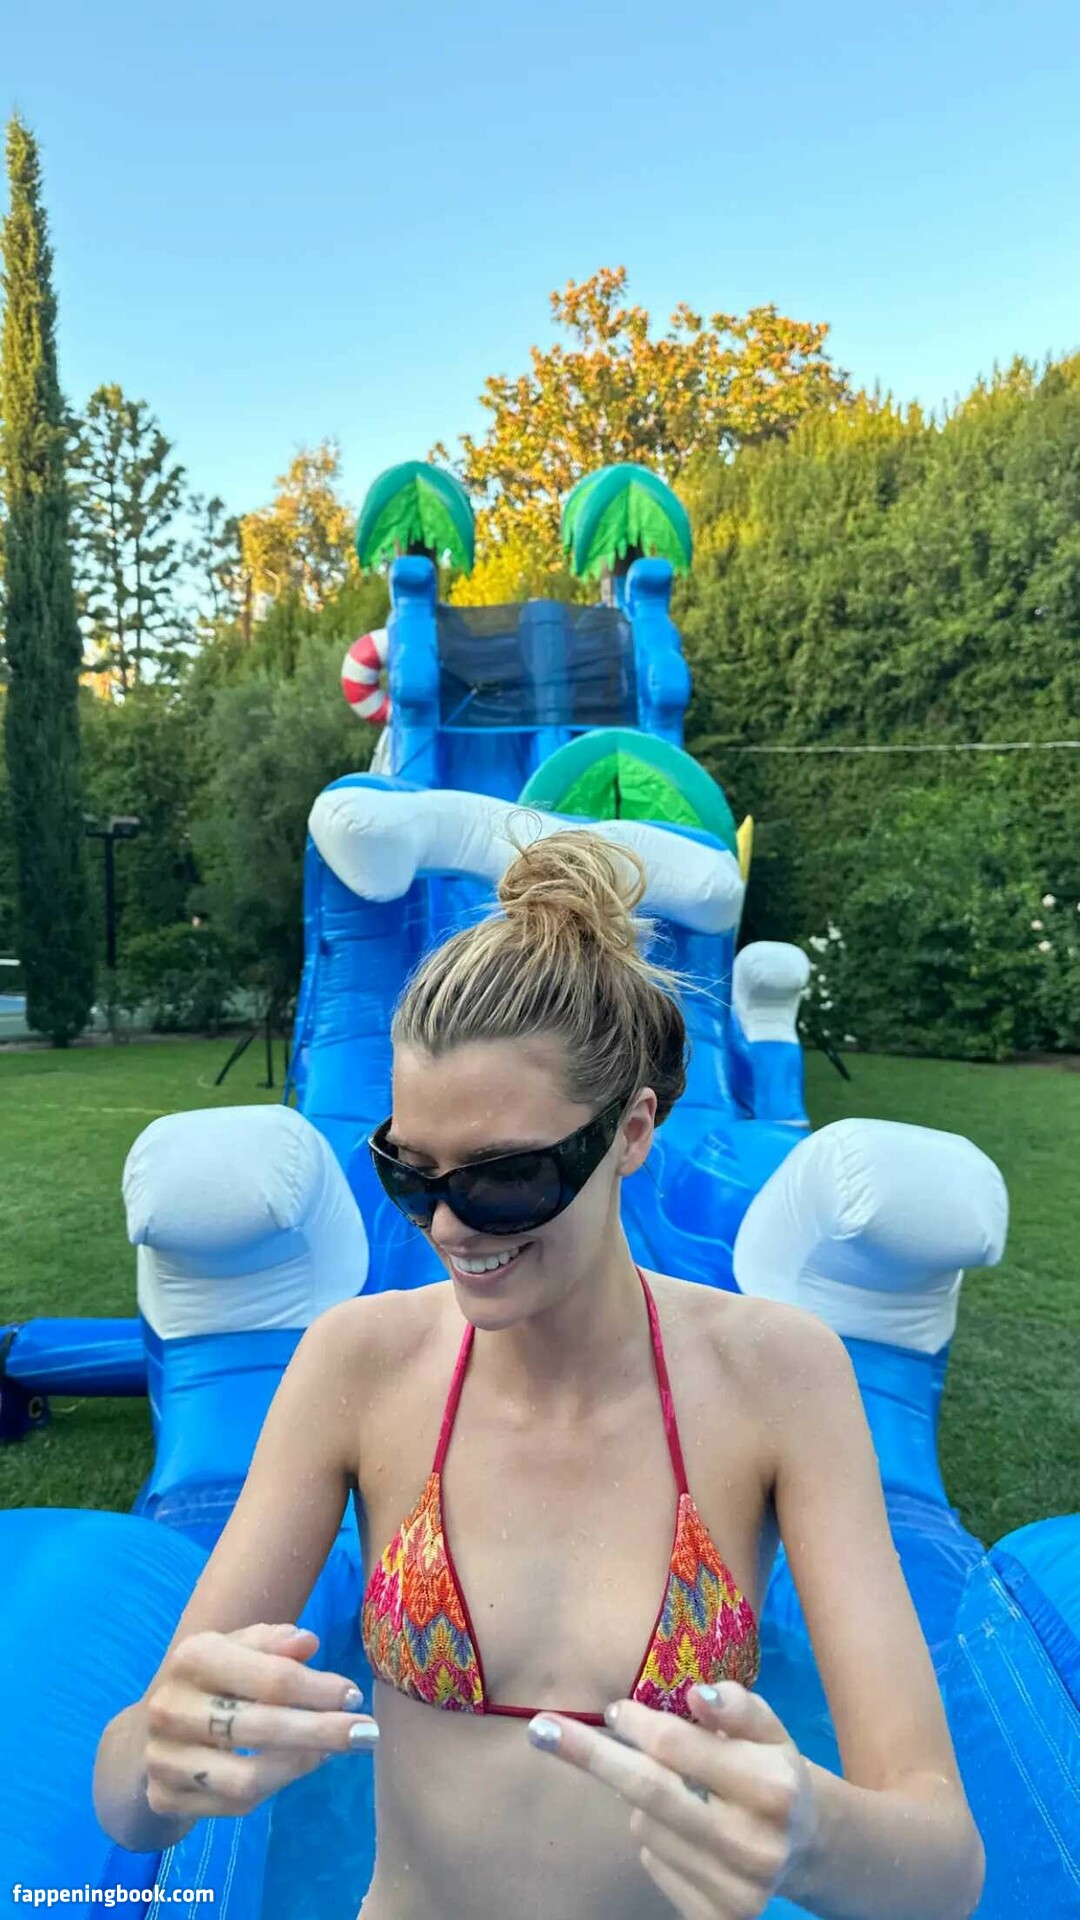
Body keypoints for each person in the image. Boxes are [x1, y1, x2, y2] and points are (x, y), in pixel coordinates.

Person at [94, 829, 985, 1920]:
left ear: (632, 1132)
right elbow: (128, 1798)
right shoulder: (360, 1365)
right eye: (412, 1175)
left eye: (506, 1179)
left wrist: (814, 1835)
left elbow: (943, 1864)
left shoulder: (776, 1380)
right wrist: (163, 1757)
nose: (450, 1227)